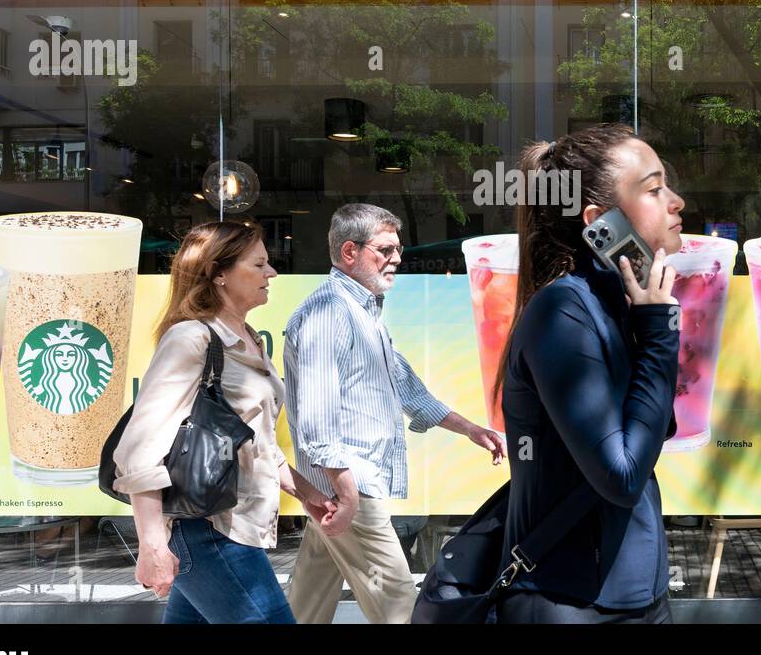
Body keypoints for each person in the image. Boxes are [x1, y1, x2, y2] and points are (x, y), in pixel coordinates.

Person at [496, 124, 685, 623]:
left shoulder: (615, 303)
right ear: (600, 221)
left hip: (634, 592)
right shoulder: (563, 311)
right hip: (572, 601)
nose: (676, 201)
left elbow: (655, 428)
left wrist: (649, 319)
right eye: (654, 188)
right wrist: (660, 333)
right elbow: (620, 476)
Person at [284, 203, 506, 624]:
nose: (397, 259)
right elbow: (315, 418)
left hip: (342, 485)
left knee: (306, 607)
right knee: (401, 608)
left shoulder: (363, 313)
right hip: (350, 486)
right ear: (350, 251)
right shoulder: (330, 312)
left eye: (397, 249)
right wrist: (346, 491)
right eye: (385, 250)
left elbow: (404, 385)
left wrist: (470, 429)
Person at [112, 221, 338, 624]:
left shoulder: (247, 338)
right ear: (219, 274)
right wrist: (151, 545)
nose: (272, 274)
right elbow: (139, 448)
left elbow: (257, 443)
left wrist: (305, 493)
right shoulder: (191, 339)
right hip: (210, 530)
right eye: (259, 265)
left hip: (231, 527)